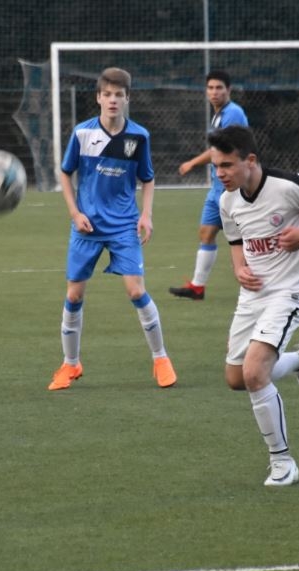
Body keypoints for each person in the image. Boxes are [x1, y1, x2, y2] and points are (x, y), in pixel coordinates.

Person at [212, 125, 299, 487]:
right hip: (251, 297)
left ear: (250, 160)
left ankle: (283, 462)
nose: (220, 173)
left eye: (227, 165)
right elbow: (235, 239)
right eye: (216, 166)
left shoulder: (287, 186)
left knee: (255, 373)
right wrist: (238, 268)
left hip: (288, 293)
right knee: (236, 379)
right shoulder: (227, 200)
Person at [48, 67, 177, 391]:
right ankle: (71, 363)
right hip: (87, 226)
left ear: (127, 98)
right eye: (107, 95)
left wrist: (146, 215)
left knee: (136, 291)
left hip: (123, 225)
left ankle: (161, 358)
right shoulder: (82, 133)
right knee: (74, 294)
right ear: (98, 98)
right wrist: (75, 213)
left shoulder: (139, 136)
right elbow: (65, 173)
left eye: (119, 95)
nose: (113, 100)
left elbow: (148, 179)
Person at [169, 70, 249, 300]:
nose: (214, 92)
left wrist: (192, 163)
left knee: (244, 240)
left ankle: (254, 284)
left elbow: (222, 150)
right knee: (206, 233)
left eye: (219, 88)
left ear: (228, 90)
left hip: (233, 187)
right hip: (217, 187)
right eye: (210, 88)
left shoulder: (233, 113)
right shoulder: (218, 115)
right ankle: (197, 287)